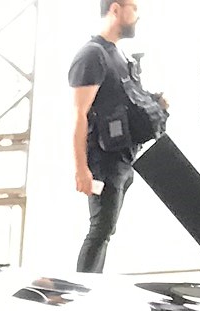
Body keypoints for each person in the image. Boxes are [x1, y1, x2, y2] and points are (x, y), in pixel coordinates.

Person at [70, 0, 144, 274]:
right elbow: (80, 114)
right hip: (103, 161)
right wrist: (82, 169)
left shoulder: (120, 56)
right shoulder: (92, 55)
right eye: (133, 7)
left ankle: (90, 286)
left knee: (105, 230)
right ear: (115, 9)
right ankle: (84, 288)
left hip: (124, 159)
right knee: (100, 230)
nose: (138, 15)